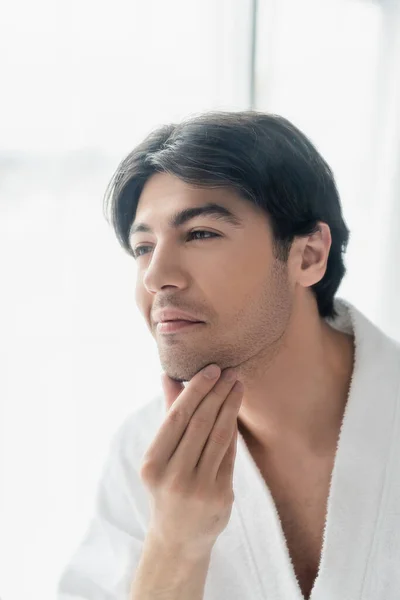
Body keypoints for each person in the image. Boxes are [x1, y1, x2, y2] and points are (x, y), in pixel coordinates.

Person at [56, 111, 400, 600]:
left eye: (200, 234)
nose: (156, 277)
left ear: (308, 256)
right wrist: (175, 544)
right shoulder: (143, 455)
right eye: (143, 247)